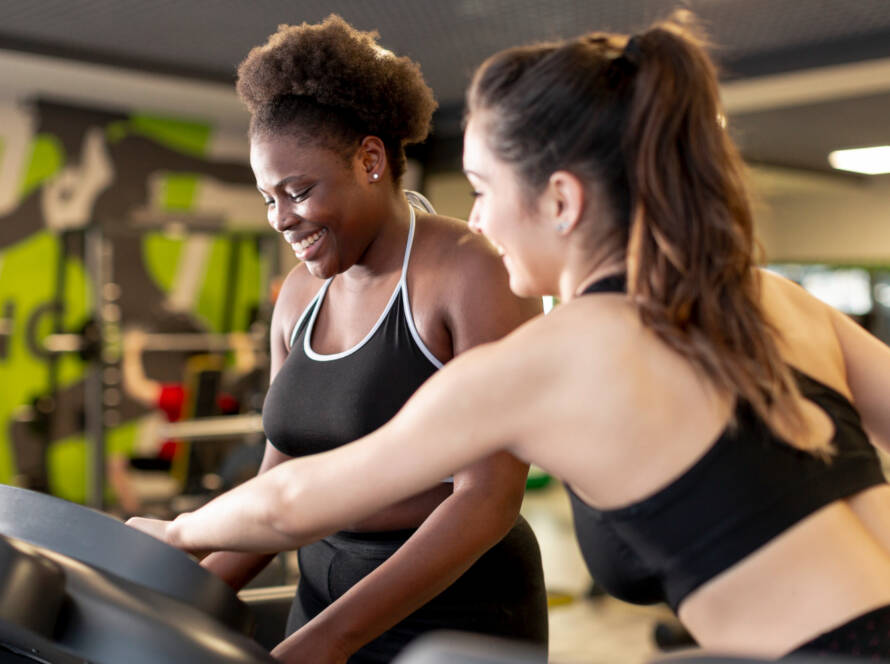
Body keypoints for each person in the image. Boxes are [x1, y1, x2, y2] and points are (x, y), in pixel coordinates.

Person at [129, 10, 890, 661]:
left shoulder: (554, 356)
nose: (480, 222)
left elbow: (293, 499)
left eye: (487, 190)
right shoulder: (772, 298)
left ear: (561, 199)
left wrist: (175, 534)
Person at [137, 15, 548, 664]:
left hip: (454, 608)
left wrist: (326, 642)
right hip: (324, 591)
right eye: (268, 198)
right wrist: (185, 594)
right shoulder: (299, 296)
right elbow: (280, 482)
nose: (281, 220)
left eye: (297, 191)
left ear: (371, 160)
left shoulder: (470, 272)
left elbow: (488, 498)